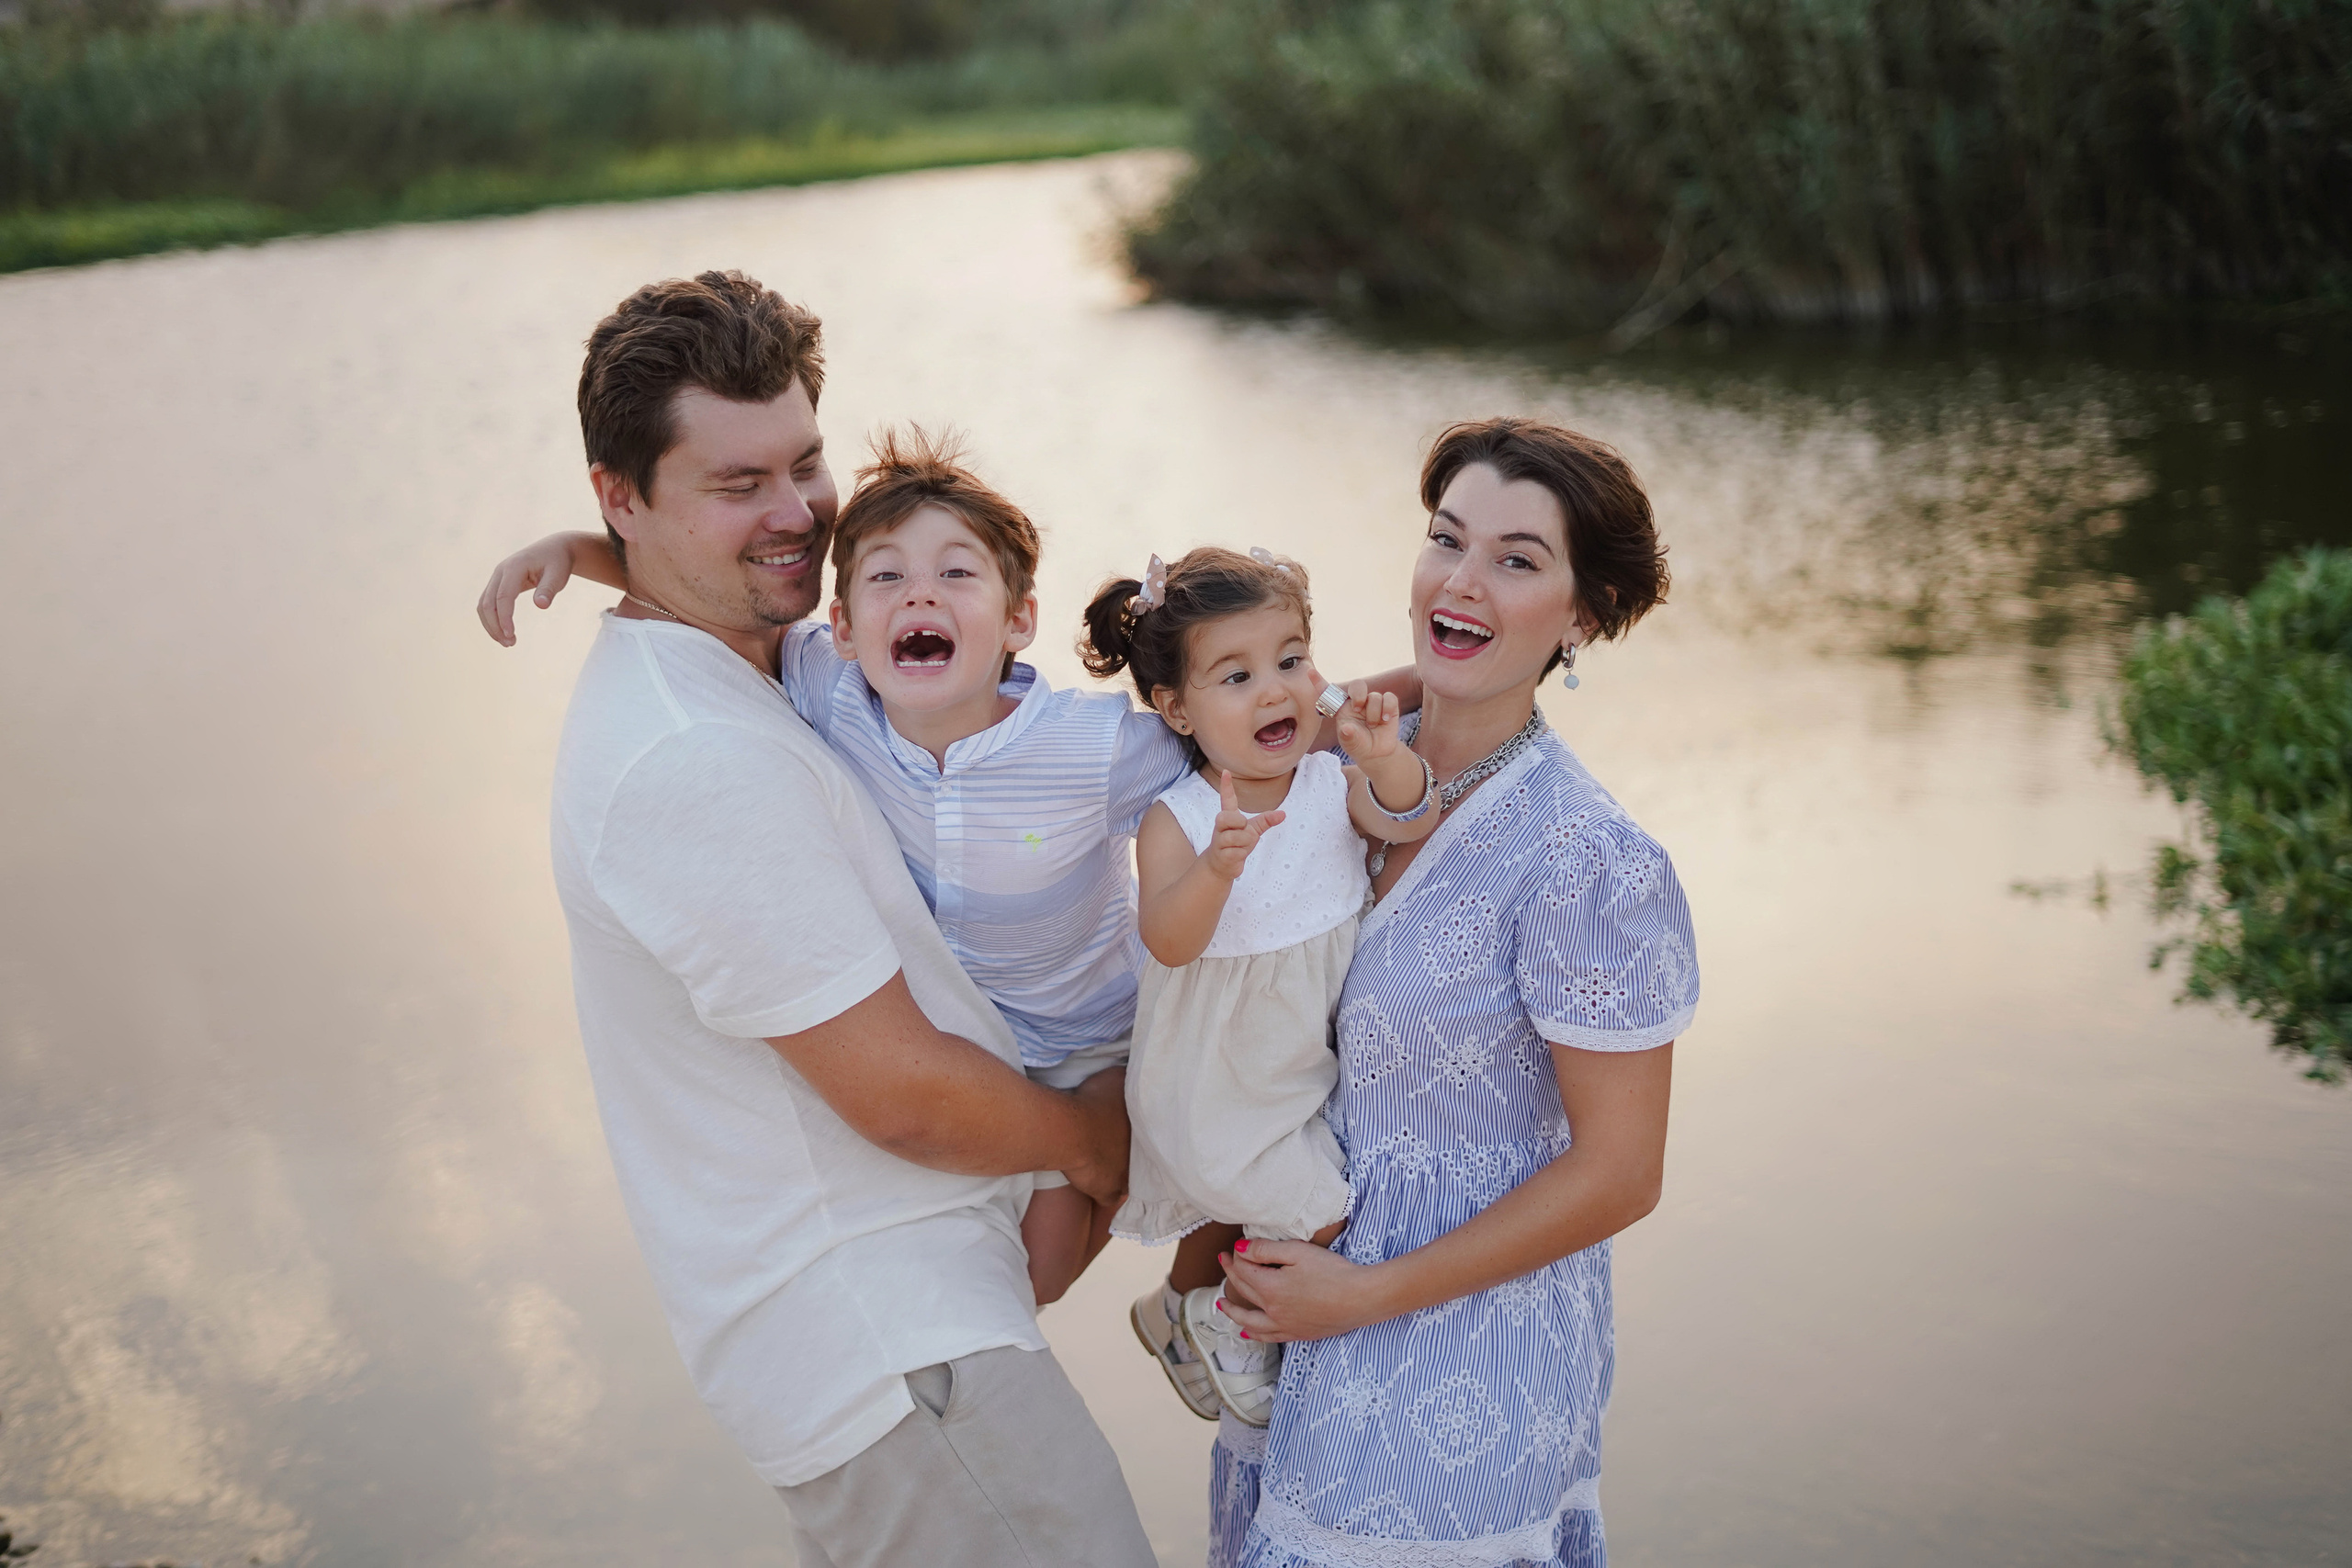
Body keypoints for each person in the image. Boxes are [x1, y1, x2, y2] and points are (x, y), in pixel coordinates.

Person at [483, 436, 1421, 1309]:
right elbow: (706, 587)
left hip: (1103, 1035)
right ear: (844, 626)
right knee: (1036, 1277)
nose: (919, 597)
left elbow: (1251, 724)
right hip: (975, 1047)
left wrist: (1410, 699)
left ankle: (1193, 1300)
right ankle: (1155, 1257)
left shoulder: (1092, 749)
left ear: (1018, 620)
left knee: (1150, 1189)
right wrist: (585, 548)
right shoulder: (828, 689)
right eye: (887, 578)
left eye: (956, 575)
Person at [529, 269, 1154, 1568]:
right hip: (894, 1360)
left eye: (804, 463)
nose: (797, 516)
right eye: (736, 483)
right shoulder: (690, 749)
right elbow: (906, 1094)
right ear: (619, 494)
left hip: (904, 1342)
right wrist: (1101, 1138)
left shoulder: (762, 674)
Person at [1202, 418, 1700, 1568]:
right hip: (1291, 1354)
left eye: (1518, 560)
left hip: (1462, 1376)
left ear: (1583, 615)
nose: (1460, 581)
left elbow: (1621, 1172)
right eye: (1445, 540)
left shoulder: (1588, 860)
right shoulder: (1324, 768)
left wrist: (1369, 1295)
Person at [1074, 547, 1440, 1429]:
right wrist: (1215, 871)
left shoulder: (1326, 775)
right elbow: (1168, 937)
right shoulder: (1182, 819)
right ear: (1177, 708)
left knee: (1251, 1200)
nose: (1274, 690)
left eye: (1289, 659)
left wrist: (1385, 753)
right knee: (1317, 1212)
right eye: (1235, 676)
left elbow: (1411, 815)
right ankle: (1224, 1319)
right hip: (1216, 1075)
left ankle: (1176, 1307)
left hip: (1291, 1061)